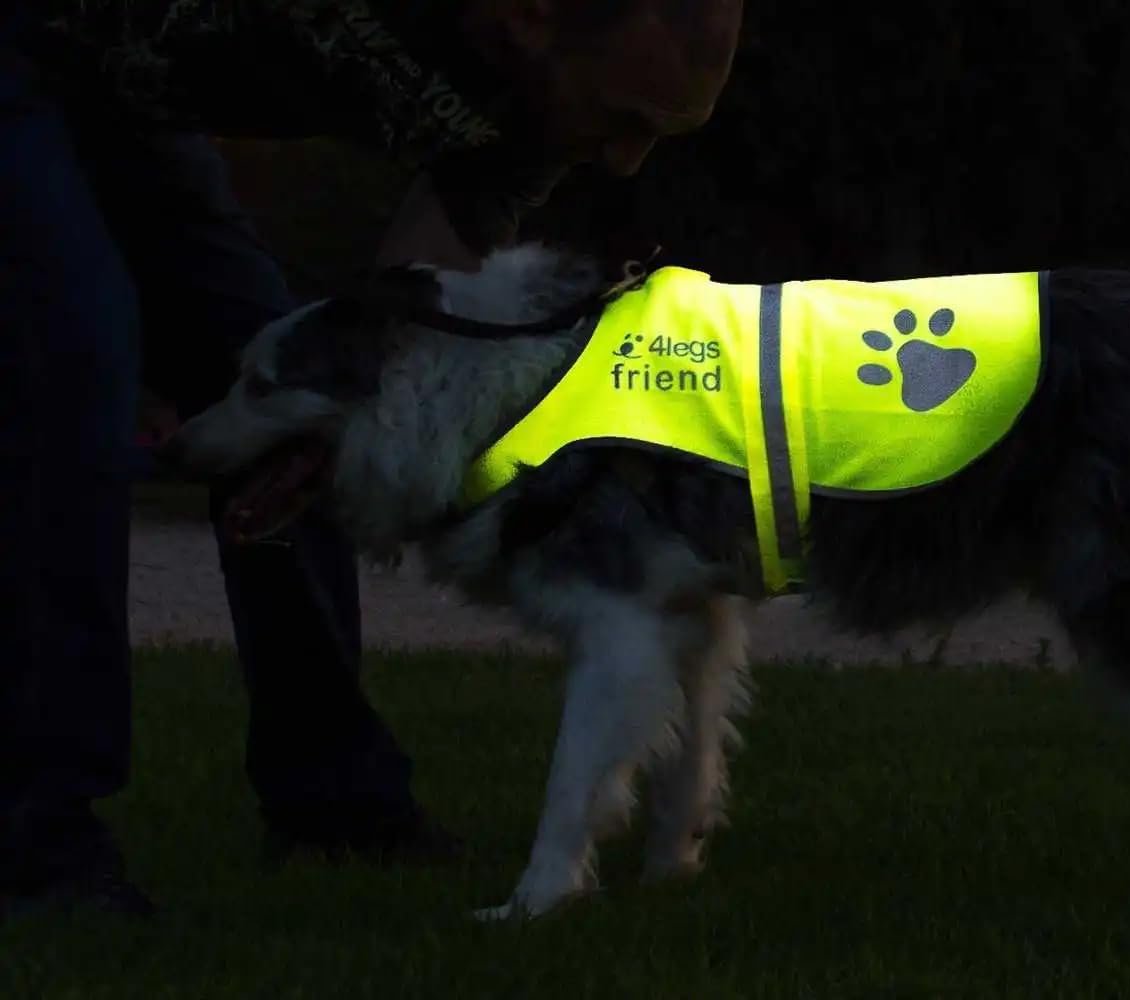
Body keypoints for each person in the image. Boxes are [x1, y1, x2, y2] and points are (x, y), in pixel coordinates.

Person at [0, 0, 742, 919]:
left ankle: (336, 798)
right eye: (628, 118)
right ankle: (39, 843)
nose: (629, 158)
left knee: (297, 402)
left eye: (665, 131)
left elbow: (402, 318)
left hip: (128, 104)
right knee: (72, 374)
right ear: (532, 19)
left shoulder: (541, 107)